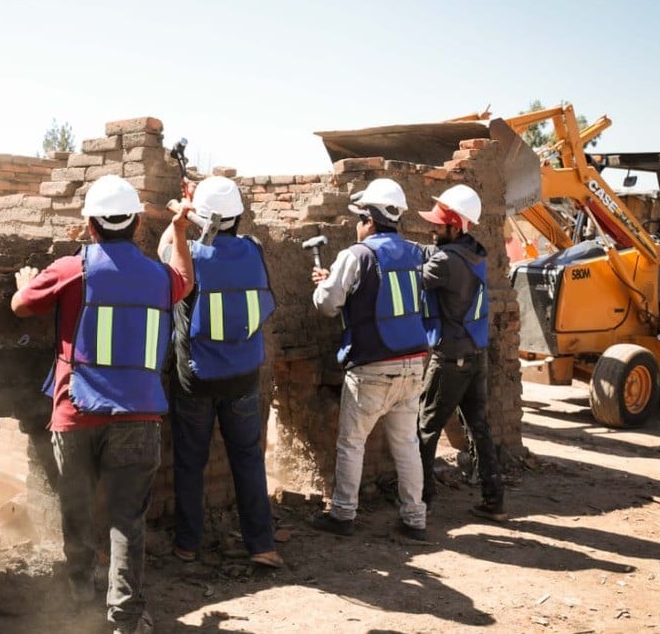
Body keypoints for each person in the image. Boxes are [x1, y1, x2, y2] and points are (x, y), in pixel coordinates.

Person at [10, 175, 193, 634]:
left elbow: (20, 306)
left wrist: (26, 283)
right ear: (136, 225)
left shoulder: (73, 268)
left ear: (91, 226)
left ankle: (79, 589)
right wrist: (179, 231)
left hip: (76, 413)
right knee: (127, 520)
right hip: (139, 416)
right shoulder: (159, 277)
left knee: (75, 506)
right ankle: (126, 618)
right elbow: (186, 280)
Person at [156, 176, 282, 568]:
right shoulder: (254, 249)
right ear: (239, 216)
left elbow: (165, 248)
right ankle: (262, 544)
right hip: (244, 375)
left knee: (190, 461)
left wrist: (182, 216)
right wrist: (199, 209)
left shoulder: (188, 254)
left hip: (195, 379)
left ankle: (187, 544)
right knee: (248, 459)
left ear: (202, 217)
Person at [309, 178, 429, 541]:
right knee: (407, 445)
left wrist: (323, 285)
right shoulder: (417, 253)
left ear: (370, 220)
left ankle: (343, 514)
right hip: (413, 364)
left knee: (351, 443)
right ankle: (415, 519)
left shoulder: (356, 255)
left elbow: (328, 305)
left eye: (360, 219)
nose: (357, 226)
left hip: (372, 366)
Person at [416, 184, 507, 522]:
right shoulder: (474, 253)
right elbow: (432, 251)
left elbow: (414, 280)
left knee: (425, 428)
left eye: (439, 225)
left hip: (450, 358)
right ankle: (494, 500)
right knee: (479, 427)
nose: (432, 228)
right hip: (475, 354)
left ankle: (420, 503)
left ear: (455, 227)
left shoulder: (445, 261)